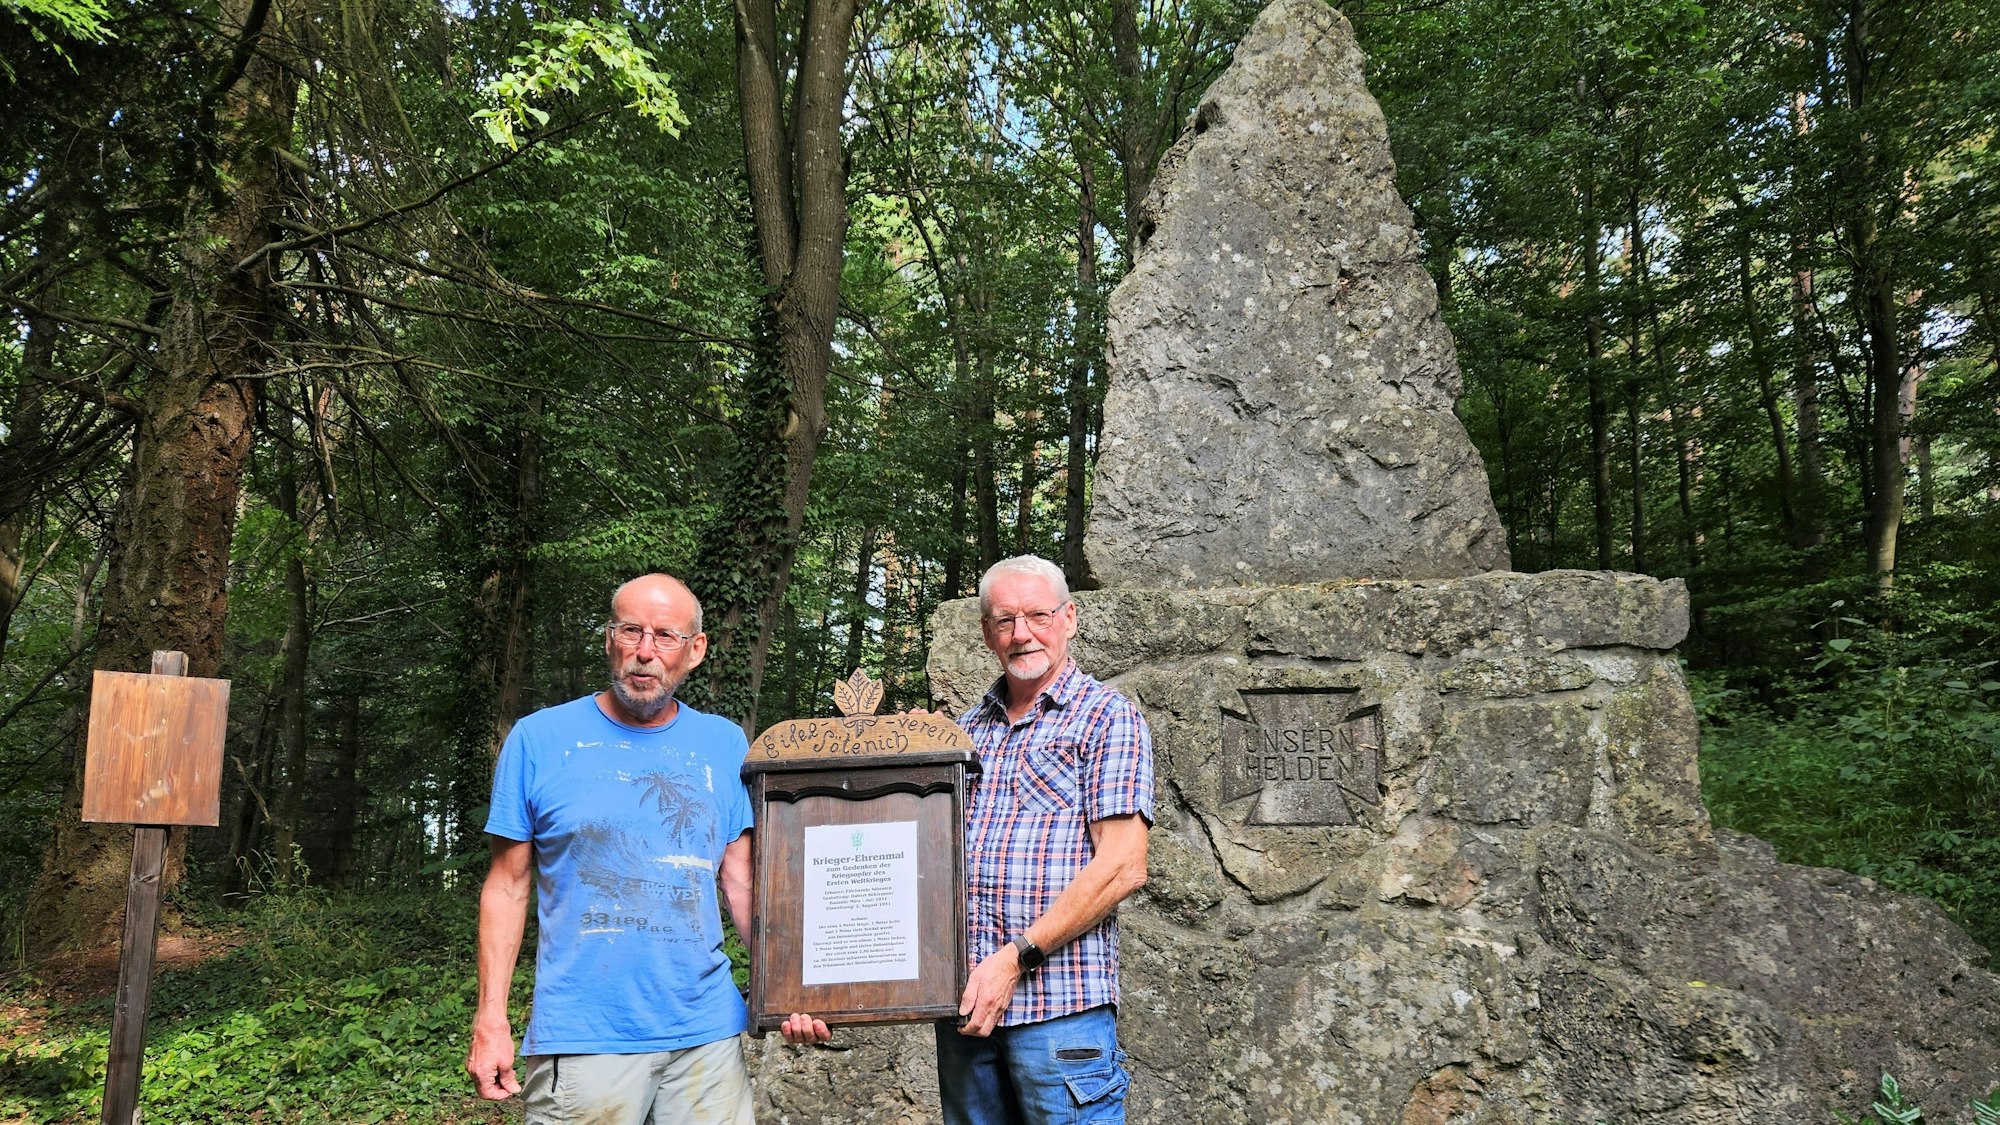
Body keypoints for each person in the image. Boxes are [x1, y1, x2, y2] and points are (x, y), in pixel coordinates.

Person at [783, 554, 1155, 1124]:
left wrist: (1015, 959)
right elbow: (903, 862)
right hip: (965, 1010)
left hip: (1059, 1011)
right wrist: (829, 985)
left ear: (1069, 618)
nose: (1021, 633)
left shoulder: (1106, 718)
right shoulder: (963, 732)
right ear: (986, 633)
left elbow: (1124, 865)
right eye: (1005, 620)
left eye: (1037, 615)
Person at [466, 573, 755, 1125]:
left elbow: (739, 880)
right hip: (585, 1035)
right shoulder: (538, 738)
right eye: (631, 632)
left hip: (707, 1035)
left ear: (694, 651)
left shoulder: (725, 743)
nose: (645, 653)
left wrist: (789, 985)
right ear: (609, 639)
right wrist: (491, 1019)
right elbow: (507, 885)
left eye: (666, 636)